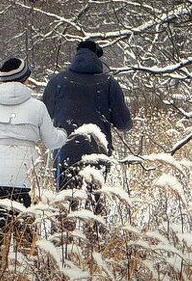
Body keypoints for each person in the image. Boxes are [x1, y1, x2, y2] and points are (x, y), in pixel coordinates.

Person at [0, 57, 67, 253]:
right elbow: (52, 141)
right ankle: (26, 277)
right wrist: (63, 133)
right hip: (24, 176)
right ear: (25, 78)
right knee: (25, 233)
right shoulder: (37, 107)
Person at [43, 38, 132, 216]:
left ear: (76, 55)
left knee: (66, 204)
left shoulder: (58, 81)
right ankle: (95, 239)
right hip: (97, 152)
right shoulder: (109, 83)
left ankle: (63, 240)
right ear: (98, 57)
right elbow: (123, 123)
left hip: (65, 151)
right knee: (95, 202)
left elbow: (44, 115)